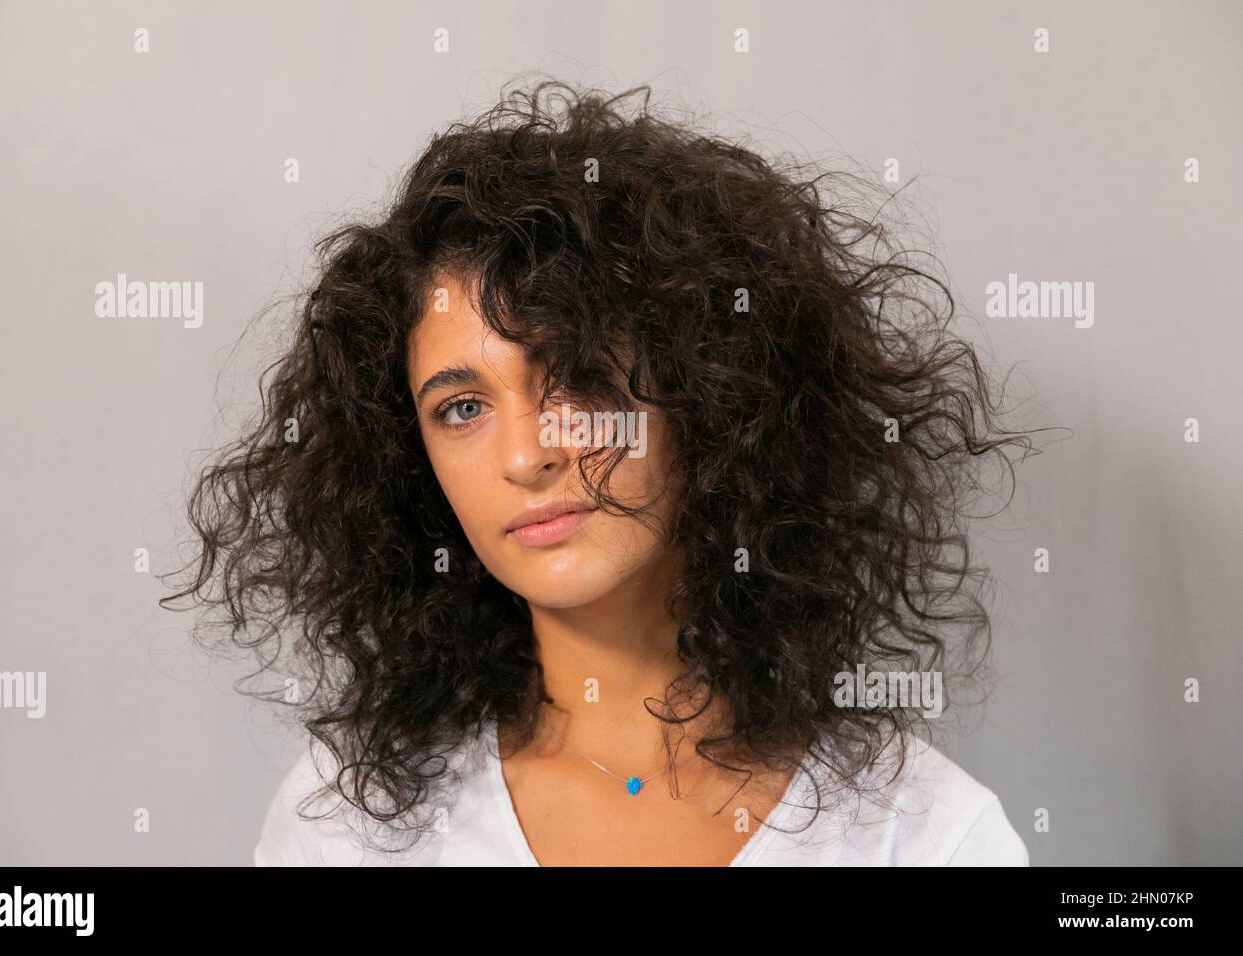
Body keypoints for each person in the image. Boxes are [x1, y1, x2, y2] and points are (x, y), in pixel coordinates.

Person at [162, 80, 1036, 866]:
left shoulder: (916, 835)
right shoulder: (346, 823)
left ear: (713, 396)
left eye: (574, 376)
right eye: (461, 408)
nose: (525, 455)